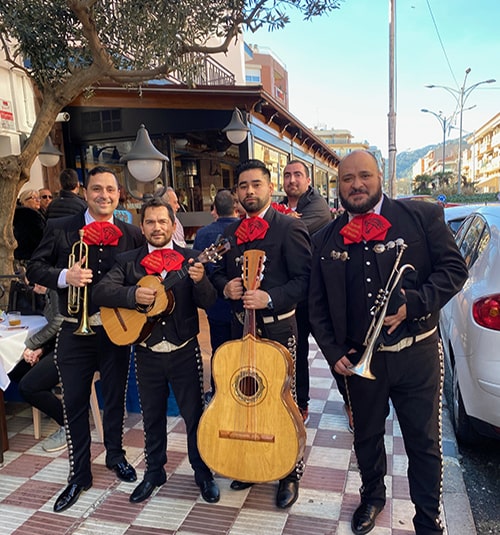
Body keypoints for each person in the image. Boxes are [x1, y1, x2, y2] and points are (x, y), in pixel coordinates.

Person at [308, 150, 468, 535]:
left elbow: (454, 270)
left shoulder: (421, 217)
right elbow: (315, 307)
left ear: (381, 177)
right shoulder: (324, 238)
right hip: (361, 360)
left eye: (364, 176)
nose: (356, 184)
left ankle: (428, 520)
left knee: (424, 443)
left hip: (416, 355)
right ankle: (372, 497)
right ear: (338, 185)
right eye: (348, 179)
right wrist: (332, 353)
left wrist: (412, 304)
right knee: (366, 437)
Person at [27, 166, 145, 513]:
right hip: (72, 331)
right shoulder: (61, 228)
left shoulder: (131, 233)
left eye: (110, 189)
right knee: (74, 401)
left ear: (119, 194)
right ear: (85, 192)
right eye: (97, 189)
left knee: (115, 397)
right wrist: (66, 275)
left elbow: (143, 273)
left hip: (116, 330)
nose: (104, 195)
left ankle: (116, 455)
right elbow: (34, 267)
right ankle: (79, 474)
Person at [92, 198, 220, 505]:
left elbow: (210, 302)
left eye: (163, 221)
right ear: (142, 226)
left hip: (184, 351)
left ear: (174, 225)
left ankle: (202, 472)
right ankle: (154, 471)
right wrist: (132, 293)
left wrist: (201, 282)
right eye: (150, 222)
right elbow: (100, 291)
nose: (157, 227)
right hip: (147, 351)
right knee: (151, 416)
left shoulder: (191, 259)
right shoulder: (128, 261)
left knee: (194, 415)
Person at [211, 159, 311, 509]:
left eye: (256, 184)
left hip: (281, 327)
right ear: (236, 192)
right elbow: (216, 274)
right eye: (243, 186)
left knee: (286, 400)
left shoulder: (289, 228)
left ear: (270, 188)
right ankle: (252, 463)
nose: (249, 191)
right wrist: (226, 288)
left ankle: (290, 472)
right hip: (242, 327)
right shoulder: (229, 233)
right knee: (246, 397)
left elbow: (305, 281)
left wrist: (270, 297)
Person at [280, 160, 334, 426]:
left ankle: (351, 404)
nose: (292, 180)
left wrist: (282, 223)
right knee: (296, 352)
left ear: (308, 180)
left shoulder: (318, 206)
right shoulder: (281, 205)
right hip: (293, 295)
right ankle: (300, 403)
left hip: (320, 293)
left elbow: (295, 230)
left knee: (333, 349)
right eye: (287, 175)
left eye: (298, 175)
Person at [192, 189, 239, 398]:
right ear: (235, 207)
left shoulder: (203, 234)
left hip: (215, 303)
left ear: (215, 209)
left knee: (218, 350)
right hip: (239, 302)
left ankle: (218, 392)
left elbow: (198, 267)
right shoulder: (240, 230)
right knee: (240, 351)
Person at [8, 284, 66, 452]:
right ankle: (50, 402)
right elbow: (57, 332)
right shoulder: (49, 293)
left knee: (27, 387)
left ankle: (68, 424)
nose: (33, 289)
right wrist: (40, 350)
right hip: (56, 346)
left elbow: (59, 324)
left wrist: (33, 345)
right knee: (15, 370)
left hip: (71, 351)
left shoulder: (56, 290)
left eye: (33, 284)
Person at [14, 190, 46, 263]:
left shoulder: (40, 213)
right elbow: (40, 235)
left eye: (38, 198)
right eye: (33, 198)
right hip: (30, 256)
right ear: (24, 201)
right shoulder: (29, 215)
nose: (38, 200)